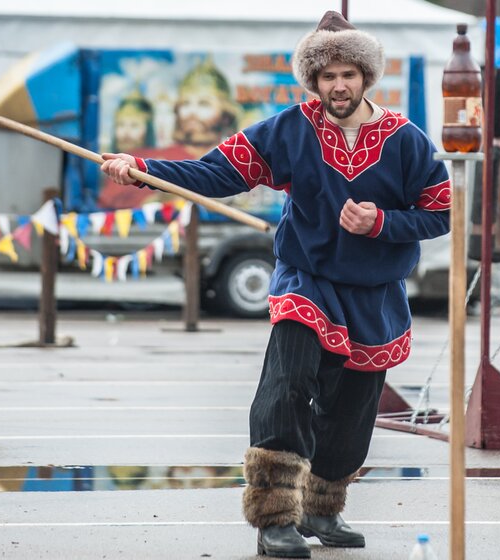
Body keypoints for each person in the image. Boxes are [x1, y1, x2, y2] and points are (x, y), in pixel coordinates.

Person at [101, 11, 450, 558]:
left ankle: (322, 507)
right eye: (327, 75)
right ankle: (273, 519)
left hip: (375, 293)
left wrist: (381, 223)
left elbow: (440, 211)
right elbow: (214, 172)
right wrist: (140, 167)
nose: (338, 85)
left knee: (355, 408)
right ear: (313, 80)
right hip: (307, 281)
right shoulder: (289, 129)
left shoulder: (407, 140)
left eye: (349, 74)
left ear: (366, 78)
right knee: (285, 386)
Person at [97, 58, 239, 209]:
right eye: (186, 104)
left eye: (204, 104)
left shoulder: (237, 160)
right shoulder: (154, 160)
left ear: (225, 115)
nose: (192, 113)